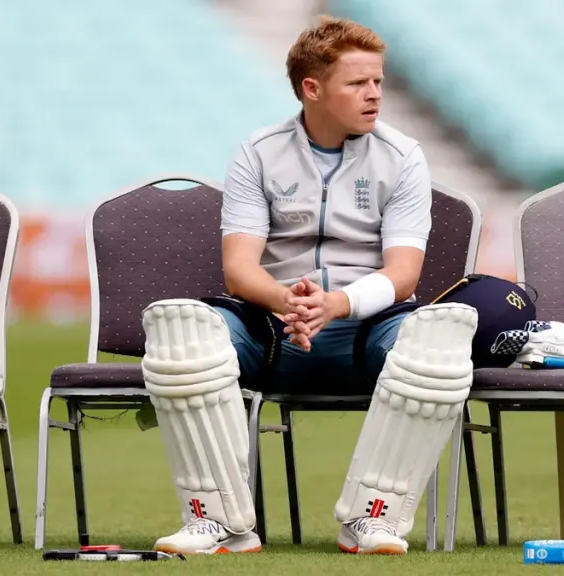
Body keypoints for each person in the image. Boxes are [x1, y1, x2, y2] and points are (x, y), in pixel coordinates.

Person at [139, 16, 479, 556]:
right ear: (312, 89)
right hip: (273, 331)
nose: (375, 95)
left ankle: (374, 520)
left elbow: (404, 274)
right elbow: (239, 269)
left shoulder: (404, 156)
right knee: (180, 332)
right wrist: (286, 302)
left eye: (380, 82)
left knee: (438, 343)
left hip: (368, 333)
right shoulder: (258, 152)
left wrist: (337, 304)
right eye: (358, 84)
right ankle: (219, 522)